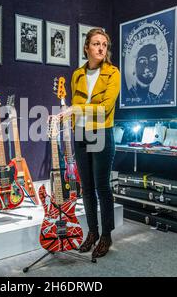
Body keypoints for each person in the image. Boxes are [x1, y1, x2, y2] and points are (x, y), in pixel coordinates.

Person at [70, 28, 120, 258]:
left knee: (102, 187)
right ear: (86, 47)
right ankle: (92, 232)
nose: (101, 48)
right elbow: (76, 107)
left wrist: (75, 110)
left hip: (101, 131)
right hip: (80, 133)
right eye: (96, 43)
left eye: (104, 44)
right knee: (86, 189)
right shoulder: (77, 74)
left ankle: (106, 235)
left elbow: (104, 109)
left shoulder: (113, 73)